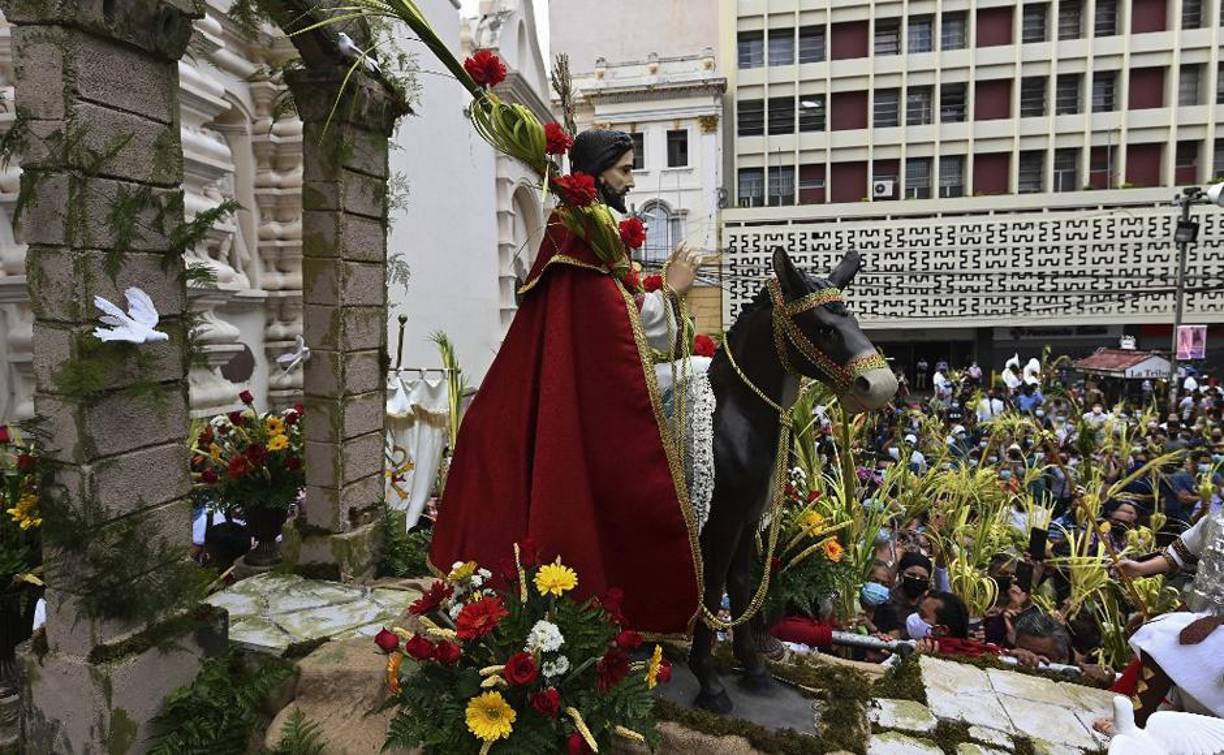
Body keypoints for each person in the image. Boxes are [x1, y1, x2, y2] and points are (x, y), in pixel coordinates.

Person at [429, 129, 707, 634]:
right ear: (599, 173)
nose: (631, 179)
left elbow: (617, 309)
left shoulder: (592, 229)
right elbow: (614, 320)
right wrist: (670, 290)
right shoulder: (575, 232)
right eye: (624, 169)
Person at [873, 552, 933, 639]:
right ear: (901, 574)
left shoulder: (930, 605)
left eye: (923, 578)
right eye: (912, 575)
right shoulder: (886, 601)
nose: (917, 580)